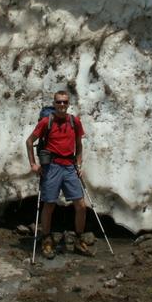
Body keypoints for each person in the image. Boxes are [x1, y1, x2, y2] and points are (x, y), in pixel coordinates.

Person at [25, 90, 94, 258]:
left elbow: (79, 145)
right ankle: (47, 240)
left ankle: (78, 239)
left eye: (64, 102)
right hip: (52, 167)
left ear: (68, 104)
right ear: (54, 103)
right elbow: (29, 141)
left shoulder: (74, 122)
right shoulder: (45, 122)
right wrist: (33, 164)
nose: (62, 105)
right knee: (49, 204)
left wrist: (78, 163)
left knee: (81, 205)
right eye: (59, 102)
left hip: (70, 166)